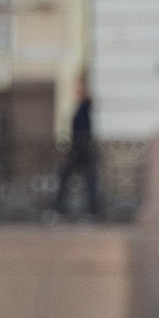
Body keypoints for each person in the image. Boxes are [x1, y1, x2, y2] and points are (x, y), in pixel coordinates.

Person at [54, 78, 101, 220]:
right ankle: (89, 211)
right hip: (81, 149)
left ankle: (60, 210)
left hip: (81, 149)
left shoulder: (84, 107)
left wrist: (72, 151)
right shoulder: (83, 107)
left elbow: (82, 131)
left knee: (77, 179)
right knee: (86, 180)